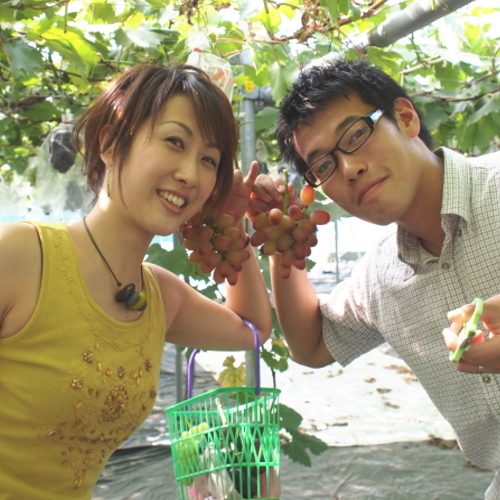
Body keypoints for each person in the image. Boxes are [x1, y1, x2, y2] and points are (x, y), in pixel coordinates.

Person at [0, 64, 272, 500]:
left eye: (209, 160)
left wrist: (230, 226)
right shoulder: (20, 257)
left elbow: (252, 329)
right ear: (109, 143)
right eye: (174, 141)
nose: (190, 174)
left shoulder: (159, 296)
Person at [247, 58, 500, 499]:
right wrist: (281, 239)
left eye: (355, 136)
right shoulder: (381, 277)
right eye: (322, 166)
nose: (347, 169)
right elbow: (313, 345)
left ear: (405, 117)